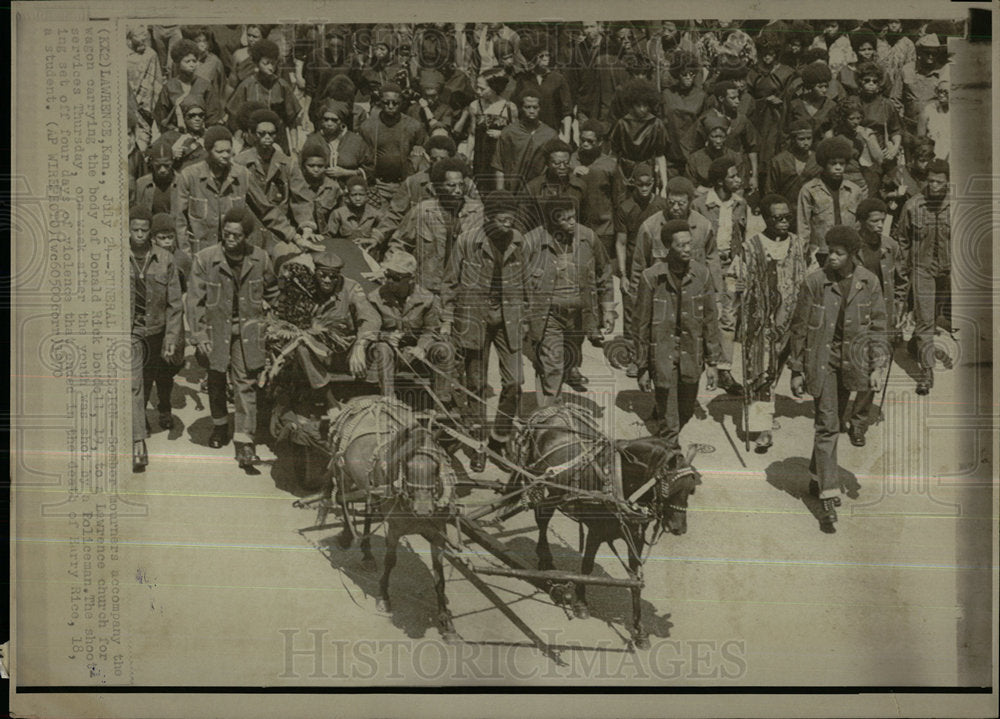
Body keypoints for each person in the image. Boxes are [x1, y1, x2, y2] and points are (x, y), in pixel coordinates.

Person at [789, 225, 889, 532]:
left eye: (838, 253)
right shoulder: (814, 282)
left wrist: (876, 367)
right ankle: (828, 496)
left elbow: (878, 328)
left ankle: (816, 473)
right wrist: (795, 369)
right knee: (828, 423)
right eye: (828, 251)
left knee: (830, 421)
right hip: (822, 362)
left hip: (852, 364)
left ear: (852, 255)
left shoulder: (868, 283)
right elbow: (800, 328)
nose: (831, 257)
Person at [441, 191, 534, 472]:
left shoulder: (520, 243)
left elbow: (529, 285)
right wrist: (447, 321)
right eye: (502, 221)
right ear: (489, 219)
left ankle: (500, 437)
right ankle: (479, 444)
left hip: (509, 319)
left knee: (515, 382)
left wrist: (527, 319)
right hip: (474, 319)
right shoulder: (467, 241)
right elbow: (449, 283)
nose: (508, 226)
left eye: (511, 221)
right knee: (477, 387)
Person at [187, 206, 280, 471]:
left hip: (248, 331)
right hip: (215, 331)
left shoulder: (260, 258)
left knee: (245, 382)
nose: (229, 239)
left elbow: (272, 291)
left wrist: (276, 322)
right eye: (226, 234)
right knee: (216, 379)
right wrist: (199, 335)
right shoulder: (205, 259)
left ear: (246, 237)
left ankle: (245, 441)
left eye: (236, 236)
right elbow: (194, 301)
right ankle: (219, 426)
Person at [727, 194, 811, 452]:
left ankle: (767, 412)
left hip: (792, 320)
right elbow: (733, 279)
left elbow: (805, 275)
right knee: (761, 374)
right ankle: (763, 428)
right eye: (778, 218)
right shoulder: (751, 247)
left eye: (788, 217)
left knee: (776, 372)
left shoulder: (797, 244)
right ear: (765, 218)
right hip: (761, 324)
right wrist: (736, 299)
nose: (784, 222)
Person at [633, 219, 722, 463]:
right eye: (681, 245)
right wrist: (641, 367)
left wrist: (713, 362)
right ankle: (669, 464)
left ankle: (664, 445)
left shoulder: (702, 274)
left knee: (685, 412)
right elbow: (640, 325)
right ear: (668, 248)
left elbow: (710, 320)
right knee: (670, 420)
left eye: (689, 244)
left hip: (691, 357)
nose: (687, 250)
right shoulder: (651, 278)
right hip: (662, 357)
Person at [525, 195, 614, 401]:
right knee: (552, 364)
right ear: (551, 222)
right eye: (565, 219)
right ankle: (550, 416)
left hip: (579, 316)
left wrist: (608, 309)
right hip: (548, 316)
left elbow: (605, 272)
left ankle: (557, 395)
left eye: (573, 217)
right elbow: (517, 282)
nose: (572, 222)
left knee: (570, 358)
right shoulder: (532, 242)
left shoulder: (588, 238)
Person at [129, 206, 183, 472]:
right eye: (134, 229)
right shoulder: (115, 257)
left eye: (143, 230)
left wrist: (171, 337)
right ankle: (138, 442)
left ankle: (147, 418)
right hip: (130, 331)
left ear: (150, 232)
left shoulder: (165, 259)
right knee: (134, 384)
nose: (139, 235)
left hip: (157, 331)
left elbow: (175, 304)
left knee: (152, 377)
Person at [849, 197, 903, 445]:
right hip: (854, 314)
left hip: (882, 315)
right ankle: (838, 413)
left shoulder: (890, 246)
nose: (880, 225)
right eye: (874, 221)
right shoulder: (850, 246)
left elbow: (902, 279)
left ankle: (859, 422)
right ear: (861, 222)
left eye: (882, 220)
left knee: (874, 366)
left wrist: (901, 307)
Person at [692, 156, 748, 396]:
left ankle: (724, 368)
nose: (738, 179)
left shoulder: (740, 204)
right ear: (719, 181)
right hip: (706, 265)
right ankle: (700, 363)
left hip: (731, 265)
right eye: (732, 176)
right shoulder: (701, 204)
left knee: (728, 317)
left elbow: (741, 236)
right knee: (704, 313)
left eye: (738, 175)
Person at [390, 157, 484, 296]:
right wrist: (393, 270)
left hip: (464, 290)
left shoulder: (478, 212)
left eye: (461, 185)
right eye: (451, 185)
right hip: (428, 290)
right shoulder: (423, 211)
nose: (458, 191)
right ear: (438, 187)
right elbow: (399, 244)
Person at [367, 251, 452, 403]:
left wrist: (421, 347)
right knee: (382, 348)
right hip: (386, 355)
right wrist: (385, 337)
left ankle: (442, 405)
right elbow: (369, 329)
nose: (390, 281)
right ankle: (388, 400)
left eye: (396, 278)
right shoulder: (375, 298)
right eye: (388, 275)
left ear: (411, 279)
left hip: (415, 353)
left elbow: (431, 330)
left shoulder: (427, 299)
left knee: (443, 348)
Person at [897, 159, 951, 395]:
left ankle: (914, 344)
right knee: (925, 319)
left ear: (948, 182)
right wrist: (902, 272)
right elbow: (902, 241)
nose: (935, 186)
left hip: (947, 271)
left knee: (936, 315)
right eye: (931, 181)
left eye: (940, 182)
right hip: (922, 270)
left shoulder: (956, 205)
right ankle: (926, 373)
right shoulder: (913, 206)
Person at [234, 108, 309, 260]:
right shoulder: (240, 163)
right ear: (253, 133)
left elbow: (301, 198)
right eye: (262, 133)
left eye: (272, 133)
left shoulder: (288, 164)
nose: (267, 138)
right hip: (250, 231)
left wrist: (307, 226)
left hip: (279, 232)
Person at [614, 163, 667, 377]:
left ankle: (655, 356)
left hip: (658, 262)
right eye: (640, 184)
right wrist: (623, 275)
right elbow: (620, 242)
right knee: (632, 312)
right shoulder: (625, 207)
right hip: (634, 265)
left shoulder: (662, 205)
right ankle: (635, 358)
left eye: (648, 184)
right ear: (633, 184)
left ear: (654, 183)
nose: (644, 188)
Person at [173, 125, 259, 255]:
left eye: (228, 151)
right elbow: (179, 221)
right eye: (219, 152)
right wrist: (186, 255)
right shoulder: (189, 176)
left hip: (233, 252)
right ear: (208, 151)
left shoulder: (242, 175)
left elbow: (264, 209)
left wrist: (293, 235)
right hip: (200, 254)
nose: (225, 156)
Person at [358, 82, 429, 207]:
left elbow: (425, 152)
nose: (390, 106)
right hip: (378, 185)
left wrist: (420, 149)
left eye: (395, 103)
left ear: (401, 102)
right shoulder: (367, 127)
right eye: (386, 102)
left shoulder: (413, 126)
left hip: (404, 185)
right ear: (380, 101)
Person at [226, 38, 302, 155]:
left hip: (278, 141)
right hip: (252, 142)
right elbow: (235, 118)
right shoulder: (246, 85)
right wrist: (237, 145)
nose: (271, 67)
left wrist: (295, 150)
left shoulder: (282, 86)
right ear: (256, 63)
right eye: (266, 63)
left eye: (273, 63)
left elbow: (292, 122)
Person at [796, 136, 864, 266]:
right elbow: (803, 226)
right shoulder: (809, 190)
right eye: (833, 163)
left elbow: (859, 225)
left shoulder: (854, 190)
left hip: (848, 252)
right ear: (824, 164)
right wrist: (803, 256)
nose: (838, 167)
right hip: (821, 252)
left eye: (842, 163)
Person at [454, 69, 518, 194]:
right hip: (481, 156)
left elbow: (516, 135)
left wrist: (502, 134)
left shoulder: (509, 107)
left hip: (501, 157)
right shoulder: (475, 106)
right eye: (477, 88)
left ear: (494, 88)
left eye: (482, 89)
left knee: (499, 189)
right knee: (481, 189)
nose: (478, 92)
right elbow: (472, 134)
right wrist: (468, 156)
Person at [608, 77, 671, 193]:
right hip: (624, 174)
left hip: (647, 173)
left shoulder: (656, 124)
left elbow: (660, 156)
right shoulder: (622, 124)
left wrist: (665, 184)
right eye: (638, 105)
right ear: (631, 104)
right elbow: (613, 155)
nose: (642, 109)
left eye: (646, 105)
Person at [492, 86, 558, 195]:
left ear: (540, 108)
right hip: (512, 192)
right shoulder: (509, 132)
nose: (531, 111)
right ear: (521, 108)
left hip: (538, 193)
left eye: (535, 107)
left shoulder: (550, 135)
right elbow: (499, 165)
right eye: (527, 107)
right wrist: (501, 194)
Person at [154, 38, 223, 133]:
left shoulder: (205, 85)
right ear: (178, 63)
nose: (192, 65)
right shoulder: (169, 87)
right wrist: (175, 130)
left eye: (194, 61)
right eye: (187, 61)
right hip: (175, 134)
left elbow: (213, 116)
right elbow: (162, 117)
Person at [523, 139, 586, 233]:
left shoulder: (579, 186)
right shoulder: (533, 188)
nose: (562, 167)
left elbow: (586, 219)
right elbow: (523, 221)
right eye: (557, 163)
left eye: (566, 162)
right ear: (547, 163)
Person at [764, 119, 820, 224]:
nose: (806, 143)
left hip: (812, 211)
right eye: (801, 139)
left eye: (809, 138)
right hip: (787, 213)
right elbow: (770, 190)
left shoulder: (818, 160)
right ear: (793, 140)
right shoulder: (778, 161)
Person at [134, 138, 178, 215]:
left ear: (172, 161)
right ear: (151, 163)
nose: (162, 170)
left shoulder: (183, 182)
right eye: (158, 166)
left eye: (167, 165)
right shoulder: (141, 184)